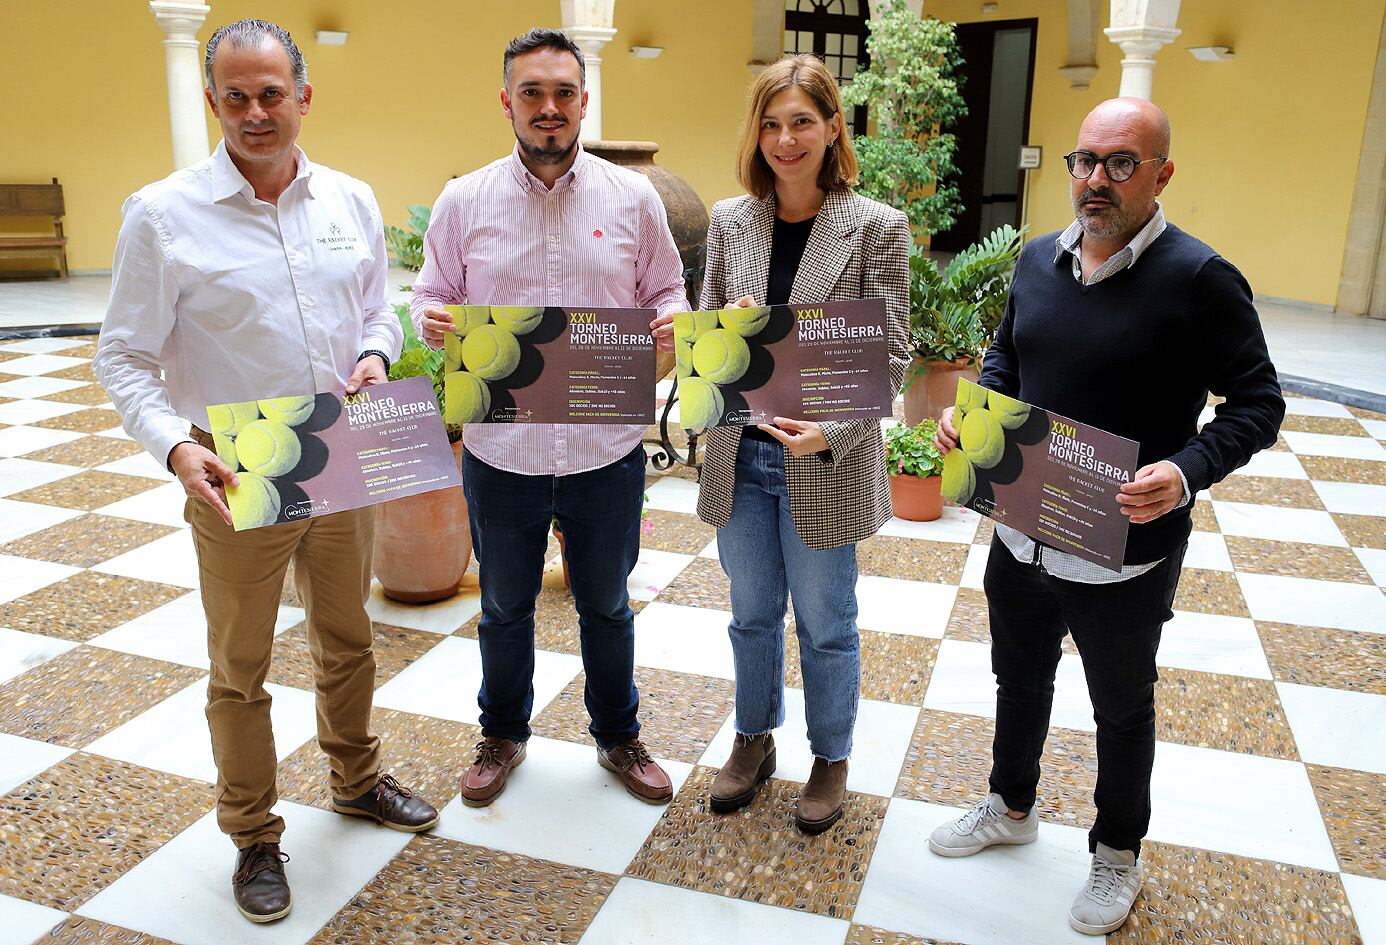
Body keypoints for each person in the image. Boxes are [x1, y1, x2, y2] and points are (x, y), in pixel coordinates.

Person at [94, 19, 439, 925]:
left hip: (337, 448)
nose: (256, 112)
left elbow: (378, 307)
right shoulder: (163, 214)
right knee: (239, 666)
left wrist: (373, 352)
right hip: (236, 469)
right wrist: (175, 444)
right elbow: (123, 355)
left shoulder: (350, 199)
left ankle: (357, 778)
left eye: (271, 93)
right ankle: (252, 832)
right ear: (213, 100)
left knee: (349, 637)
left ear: (303, 95)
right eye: (237, 96)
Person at [927, 98, 1284, 935]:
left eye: (1120, 163)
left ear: (1162, 174)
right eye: (1084, 161)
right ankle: (1012, 805)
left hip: (1124, 547)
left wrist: (1188, 469)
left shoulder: (1200, 279)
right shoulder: (1034, 261)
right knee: (1019, 679)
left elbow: (1258, 402)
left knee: (1121, 707)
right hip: (1021, 525)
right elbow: (1008, 352)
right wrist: (974, 412)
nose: (1096, 180)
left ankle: (1116, 853)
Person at [412, 28, 688, 808]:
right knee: (503, 604)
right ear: (507, 102)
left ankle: (619, 736)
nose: (548, 108)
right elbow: (429, 291)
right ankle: (501, 733)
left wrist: (671, 320)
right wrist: (435, 319)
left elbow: (668, 288)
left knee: (607, 602)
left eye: (563, 93)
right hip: (504, 451)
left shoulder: (632, 198)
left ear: (583, 102)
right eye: (531, 93)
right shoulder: (465, 200)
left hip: (605, 449)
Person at [654, 54, 909, 833]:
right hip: (744, 451)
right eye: (771, 123)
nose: (785, 139)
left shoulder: (875, 226)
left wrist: (829, 429)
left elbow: (892, 351)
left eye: (802, 121)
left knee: (827, 619)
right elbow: (707, 348)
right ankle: (753, 739)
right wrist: (723, 331)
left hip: (821, 457)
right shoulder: (733, 220)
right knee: (751, 613)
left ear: (834, 127)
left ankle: (829, 755)